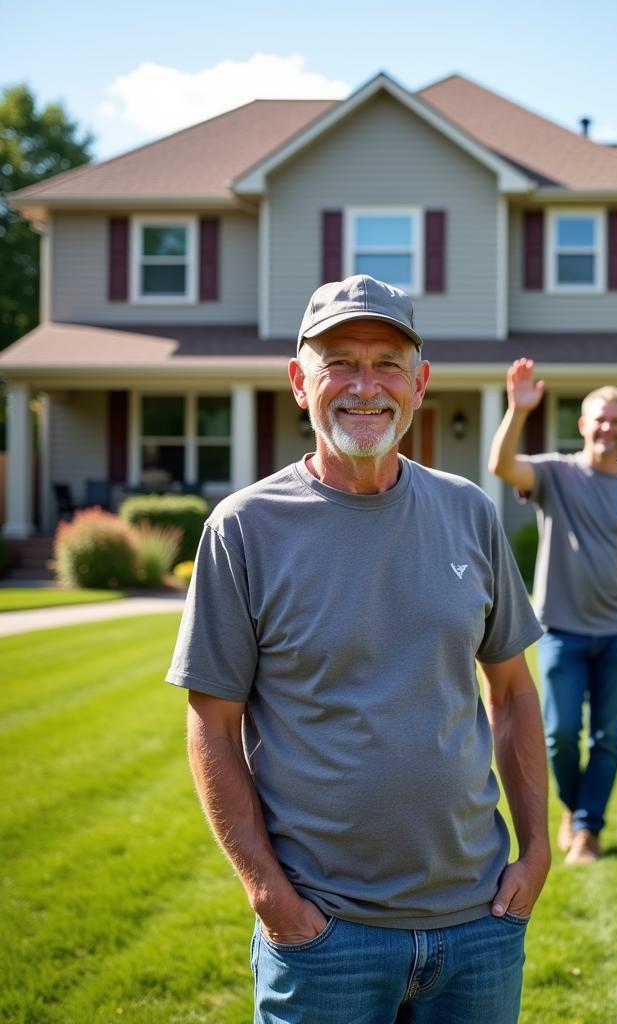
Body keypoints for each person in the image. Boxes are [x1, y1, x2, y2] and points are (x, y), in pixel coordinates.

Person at [166, 275, 550, 1024]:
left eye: (386, 363)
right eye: (339, 361)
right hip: (326, 936)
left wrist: (535, 853)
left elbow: (512, 692)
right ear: (300, 384)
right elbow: (211, 723)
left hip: (478, 927)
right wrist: (270, 897)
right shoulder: (245, 528)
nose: (364, 386)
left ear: (420, 383)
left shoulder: (469, 512)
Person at [488, 358, 617, 865]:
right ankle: (575, 809)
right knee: (559, 734)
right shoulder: (556, 475)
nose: (607, 427)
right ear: (583, 424)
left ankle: (589, 829)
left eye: (616, 420)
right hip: (561, 633)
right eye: (599, 417)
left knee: (607, 737)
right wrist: (516, 411)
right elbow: (502, 466)